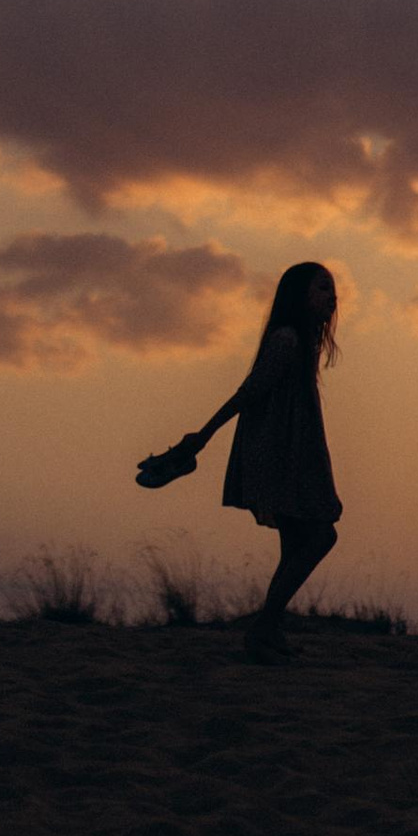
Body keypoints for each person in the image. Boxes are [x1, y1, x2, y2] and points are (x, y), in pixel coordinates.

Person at [139, 260, 343, 664]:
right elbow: (248, 392)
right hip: (280, 454)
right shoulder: (287, 341)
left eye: (333, 290)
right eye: (322, 289)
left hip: (291, 451)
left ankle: (269, 632)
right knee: (321, 536)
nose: (332, 298)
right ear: (299, 295)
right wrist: (202, 437)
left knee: (296, 543)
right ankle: (264, 627)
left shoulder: (301, 343)